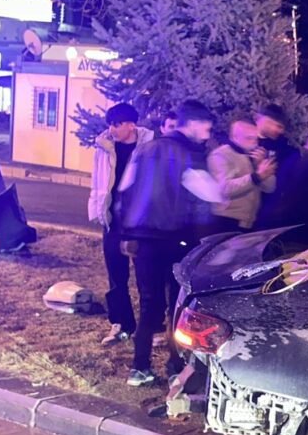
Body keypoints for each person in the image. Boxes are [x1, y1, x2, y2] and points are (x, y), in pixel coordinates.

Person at [117, 100, 222, 386]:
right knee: (177, 305)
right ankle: (175, 364)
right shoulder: (190, 155)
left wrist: (126, 233)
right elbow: (211, 196)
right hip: (178, 240)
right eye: (205, 126)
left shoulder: (145, 149)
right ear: (191, 124)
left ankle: (139, 367)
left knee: (149, 304)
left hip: (144, 242)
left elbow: (124, 191)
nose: (208, 132)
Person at [88, 103, 155, 347]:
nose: (112, 129)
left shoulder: (149, 147)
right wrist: (97, 210)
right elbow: (97, 181)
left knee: (146, 276)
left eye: (116, 124)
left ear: (131, 124)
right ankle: (121, 323)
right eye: (110, 124)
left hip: (140, 223)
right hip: (113, 221)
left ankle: (152, 326)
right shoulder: (104, 148)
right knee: (116, 275)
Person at [208, 118, 277, 232]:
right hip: (226, 220)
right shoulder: (220, 155)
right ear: (234, 137)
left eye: (256, 138)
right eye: (249, 138)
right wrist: (256, 177)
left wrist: (259, 165)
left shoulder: (254, 155)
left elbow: (270, 188)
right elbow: (224, 189)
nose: (254, 142)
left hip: (249, 221)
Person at [252, 105, 303, 230]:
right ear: (261, 119)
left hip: (267, 205)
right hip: (243, 204)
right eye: (277, 125)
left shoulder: (285, 149)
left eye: (282, 127)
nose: (280, 131)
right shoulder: (245, 139)